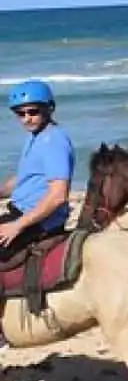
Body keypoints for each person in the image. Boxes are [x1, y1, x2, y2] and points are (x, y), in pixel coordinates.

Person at [0, 80, 75, 262]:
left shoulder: (54, 142)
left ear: (49, 108)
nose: (26, 118)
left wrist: (16, 226)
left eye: (33, 112)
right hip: (21, 213)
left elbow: (58, 196)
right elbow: (25, 177)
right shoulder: (35, 136)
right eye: (20, 113)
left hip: (39, 222)